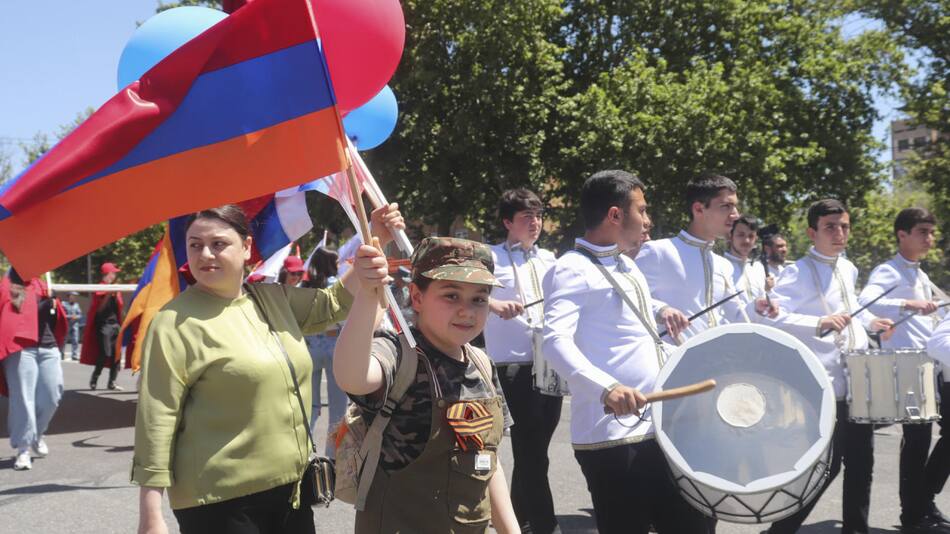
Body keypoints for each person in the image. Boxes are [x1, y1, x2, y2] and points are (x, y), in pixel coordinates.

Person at [132, 202, 404, 534]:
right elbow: (156, 419)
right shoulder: (173, 322)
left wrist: (377, 238)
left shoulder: (272, 299)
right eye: (195, 245)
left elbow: (334, 304)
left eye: (218, 244)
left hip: (291, 491)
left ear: (246, 248)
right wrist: (151, 514)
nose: (205, 254)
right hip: (219, 503)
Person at [542, 170, 709, 534]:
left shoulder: (626, 263)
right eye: (643, 210)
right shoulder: (571, 268)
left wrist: (662, 311)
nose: (648, 220)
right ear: (615, 215)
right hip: (612, 438)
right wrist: (607, 387)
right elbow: (554, 340)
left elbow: (633, 322)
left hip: (657, 428)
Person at [334, 237, 520, 534]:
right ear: (417, 298)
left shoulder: (482, 364)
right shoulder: (398, 353)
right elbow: (351, 375)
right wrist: (368, 294)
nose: (467, 311)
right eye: (451, 296)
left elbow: (488, 461)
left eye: (479, 299)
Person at [764, 199, 894, 534]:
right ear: (812, 232)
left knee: (863, 462)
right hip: (822, 382)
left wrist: (871, 321)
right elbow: (774, 321)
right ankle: (781, 529)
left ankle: (856, 529)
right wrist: (818, 322)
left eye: (844, 226)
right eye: (830, 227)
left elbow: (853, 309)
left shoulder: (847, 268)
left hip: (857, 380)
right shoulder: (796, 272)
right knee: (826, 466)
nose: (840, 233)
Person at [859, 207, 950, 533]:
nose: (930, 238)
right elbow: (866, 299)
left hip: (929, 366)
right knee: (915, 442)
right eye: (922, 232)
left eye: (931, 232)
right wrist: (908, 304)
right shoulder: (890, 271)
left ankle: (920, 504)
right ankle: (912, 513)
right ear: (902, 234)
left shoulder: (920, 275)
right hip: (906, 366)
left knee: (926, 439)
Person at [483, 188, 561, 534]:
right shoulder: (489, 258)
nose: (535, 223)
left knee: (537, 448)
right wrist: (493, 304)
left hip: (549, 362)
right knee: (530, 447)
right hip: (511, 365)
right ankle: (544, 524)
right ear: (507, 222)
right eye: (527, 217)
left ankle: (515, 518)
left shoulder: (551, 260)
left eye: (539, 216)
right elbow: (463, 292)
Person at [636, 174, 775, 343]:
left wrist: (756, 308)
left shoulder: (723, 264)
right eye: (726, 206)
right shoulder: (658, 251)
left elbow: (734, 318)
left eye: (735, 207)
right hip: (668, 363)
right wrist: (661, 309)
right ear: (699, 209)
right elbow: (627, 301)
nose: (736, 215)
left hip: (712, 363)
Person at [0, 270, 67, 471]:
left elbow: (54, 316)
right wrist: (37, 298)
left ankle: (37, 434)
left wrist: (54, 300)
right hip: (21, 347)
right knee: (23, 399)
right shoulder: (10, 283)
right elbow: (15, 309)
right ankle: (23, 448)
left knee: (52, 394)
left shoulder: (44, 282)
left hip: (48, 345)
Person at [301, 248, 349, 458]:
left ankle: (304, 452)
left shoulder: (304, 287)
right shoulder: (336, 287)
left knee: (309, 407)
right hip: (335, 349)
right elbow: (345, 319)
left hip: (310, 349)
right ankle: (332, 455)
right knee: (338, 409)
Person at [80, 262, 125, 390]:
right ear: (109, 274)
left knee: (116, 355)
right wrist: (108, 294)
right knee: (105, 353)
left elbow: (119, 308)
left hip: (115, 325)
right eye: (114, 272)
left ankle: (112, 382)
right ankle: (95, 378)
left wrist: (115, 295)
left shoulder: (115, 288)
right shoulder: (100, 287)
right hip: (104, 326)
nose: (115, 275)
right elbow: (98, 310)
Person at [724, 215, 769, 304]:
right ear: (730, 236)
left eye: (751, 236)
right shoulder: (719, 266)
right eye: (741, 235)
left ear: (756, 239)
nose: (747, 240)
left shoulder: (758, 268)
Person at [63, 292, 82, 360]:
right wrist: (71, 316)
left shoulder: (76, 305)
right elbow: (63, 314)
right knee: (64, 340)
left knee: (75, 340)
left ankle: (74, 355)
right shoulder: (64, 304)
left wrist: (77, 317)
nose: (74, 297)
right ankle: (62, 353)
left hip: (75, 325)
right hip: (67, 324)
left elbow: (80, 315)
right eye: (73, 296)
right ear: (69, 296)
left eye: (75, 296)